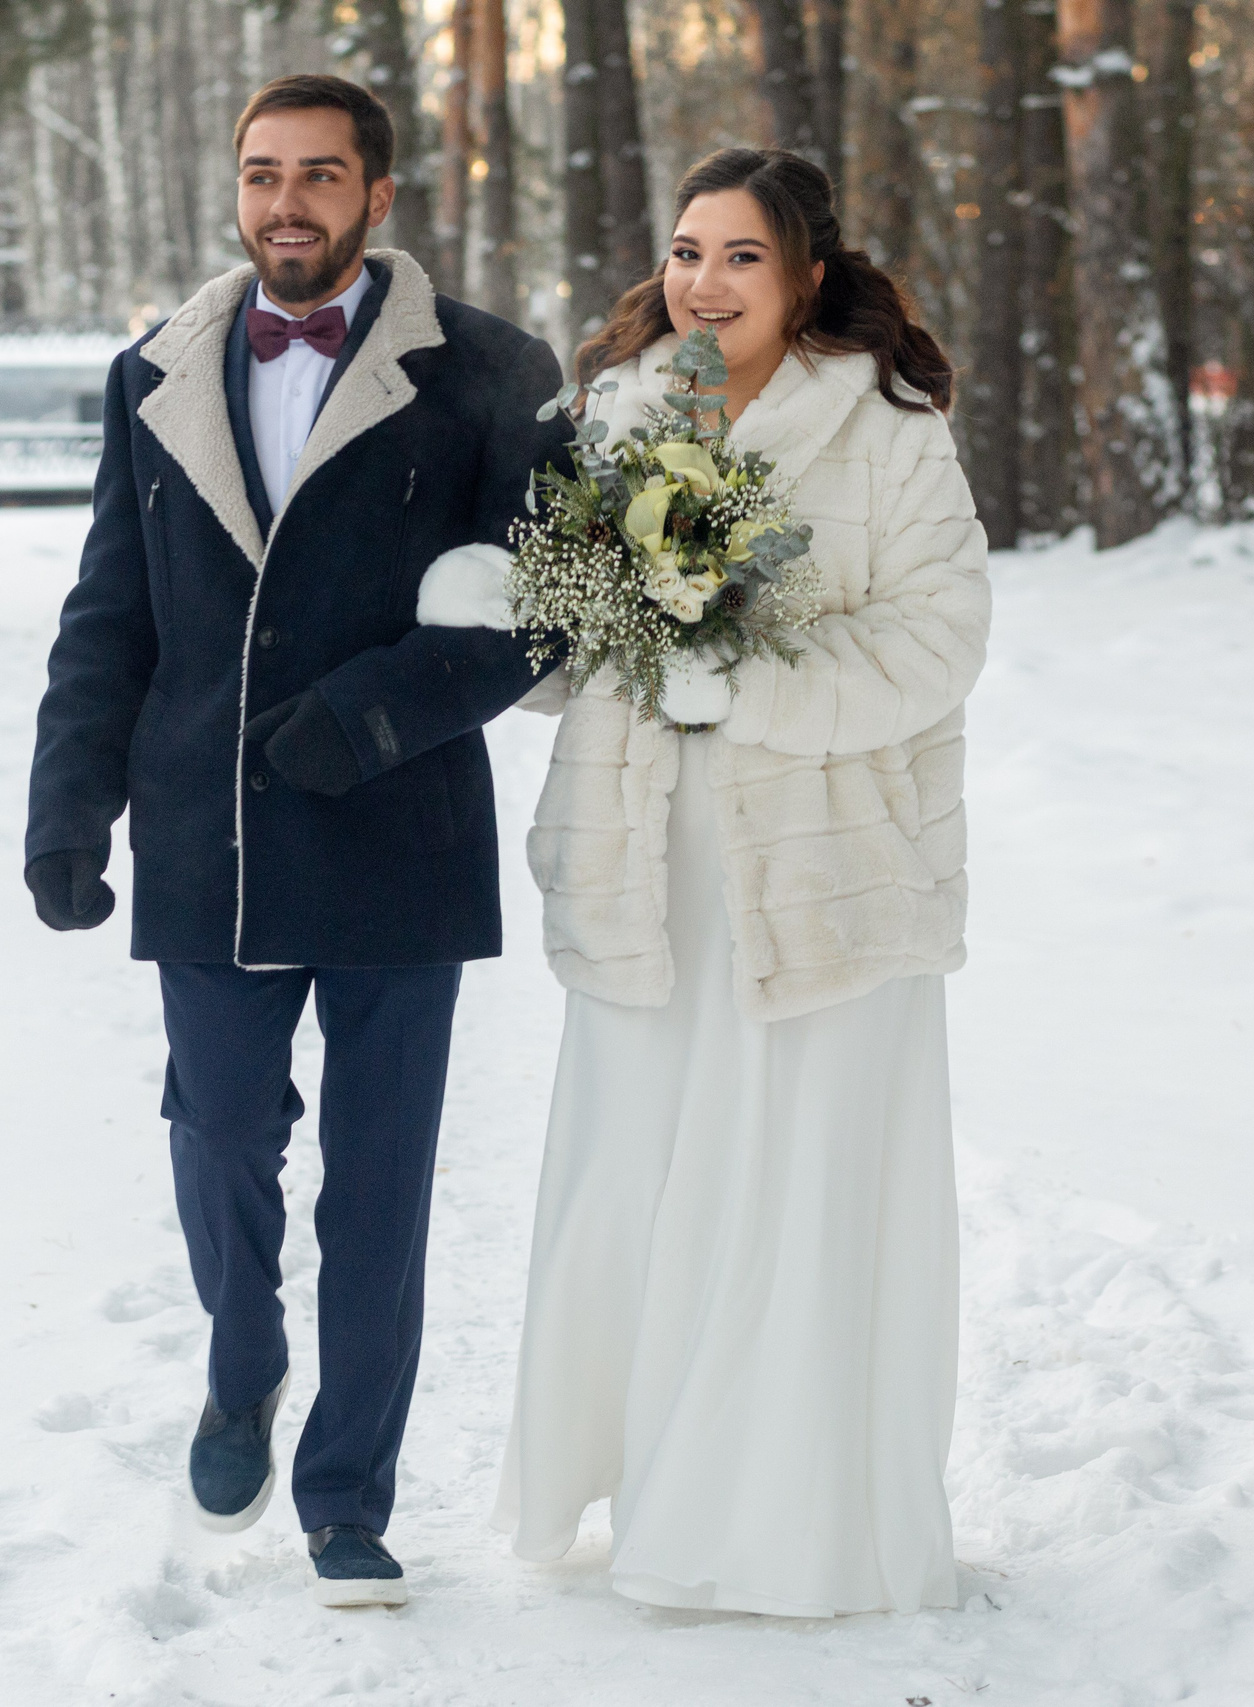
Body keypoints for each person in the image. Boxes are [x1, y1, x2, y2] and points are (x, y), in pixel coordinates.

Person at [23, 73, 570, 1609]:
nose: (287, 202)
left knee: (379, 1189)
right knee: (217, 1134)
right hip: (209, 834)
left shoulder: (491, 370)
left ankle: (347, 1499)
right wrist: (67, 808)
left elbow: (539, 607)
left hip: (401, 834)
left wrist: (376, 715)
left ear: (378, 197)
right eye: (264, 173)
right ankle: (243, 1355)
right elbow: (109, 612)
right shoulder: (152, 372)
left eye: (320, 175)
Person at [493, 147, 990, 1616]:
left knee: (796, 1180)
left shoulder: (889, 432)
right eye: (686, 252)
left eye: (742, 257)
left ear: (809, 276)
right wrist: (562, 617)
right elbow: (568, 653)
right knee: (646, 1172)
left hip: (825, 872)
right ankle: (646, 1481)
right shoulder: (617, 416)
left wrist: (742, 675)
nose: (703, 285)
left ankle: (784, 1524)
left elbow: (938, 641)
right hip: (647, 862)